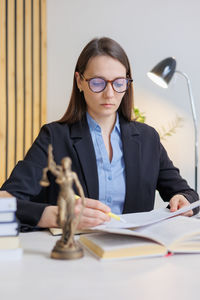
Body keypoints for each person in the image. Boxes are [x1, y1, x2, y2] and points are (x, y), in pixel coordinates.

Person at [0, 37, 198, 231]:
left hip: (135, 254)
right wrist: (58, 215)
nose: (109, 94)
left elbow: (189, 196)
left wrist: (183, 200)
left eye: (119, 83)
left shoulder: (148, 139)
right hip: (75, 255)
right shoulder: (54, 137)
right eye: (97, 82)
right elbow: (5, 202)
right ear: (80, 81)